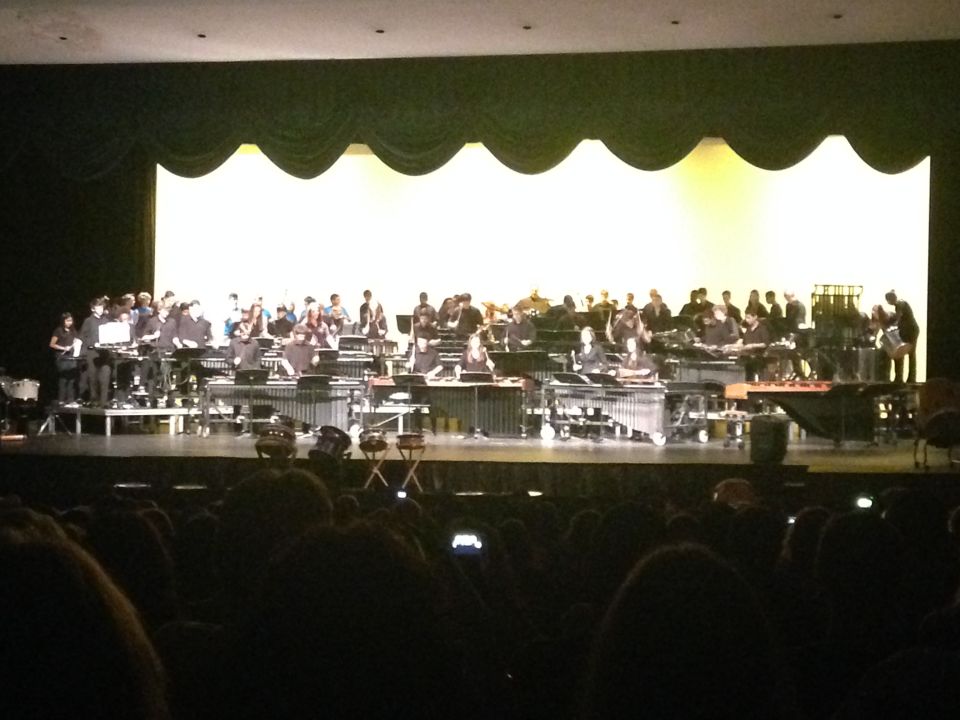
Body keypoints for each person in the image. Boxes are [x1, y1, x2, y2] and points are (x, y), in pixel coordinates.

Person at [79, 297, 112, 407]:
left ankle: (104, 401)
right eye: (98, 307)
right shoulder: (88, 321)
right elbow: (83, 336)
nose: (101, 309)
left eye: (102, 307)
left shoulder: (106, 321)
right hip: (92, 353)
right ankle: (94, 400)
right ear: (93, 309)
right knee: (93, 378)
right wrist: (93, 343)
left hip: (104, 353)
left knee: (105, 377)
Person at [885, 290, 919, 383]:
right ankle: (902, 377)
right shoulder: (900, 304)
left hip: (911, 330)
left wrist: (890, 320)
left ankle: (910, 377)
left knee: (910, 353)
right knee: (905, 353)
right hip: (907, 330)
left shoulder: (900, 304)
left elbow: (898, 317)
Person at [49, 312, 79, 405]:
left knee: (72, 379)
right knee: (64, 378)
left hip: (71, 357)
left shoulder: (73, 331)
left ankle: (70, 399)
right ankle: (61, 399)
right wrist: (63, 348)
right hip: (62, 357)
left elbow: (76, 341)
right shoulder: (58, 331)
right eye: (68, 321)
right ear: (63, 321)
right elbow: (52, 344)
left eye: (71, 320)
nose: (70, 322)